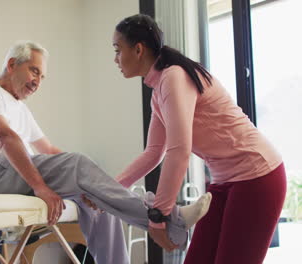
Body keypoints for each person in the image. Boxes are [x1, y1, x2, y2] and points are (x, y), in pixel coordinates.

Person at [0, 41, 211, 264]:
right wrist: (40, 186)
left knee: (96, 199)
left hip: (11, 173)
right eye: (34, 71)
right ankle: (166, 218)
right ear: (13, 64)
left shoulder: (21, 108)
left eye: (42, 77)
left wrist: (91, 180)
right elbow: (5, 137)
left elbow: (49, 150)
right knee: (77, 165)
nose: (37, 81)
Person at [111, 14, 286, 264]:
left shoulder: (174, 77)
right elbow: (153, 152)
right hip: (224, 182)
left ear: (138, 49)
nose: (115, 59)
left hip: (257, 176)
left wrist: (158, 216)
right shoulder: (158, 91)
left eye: (118, 50)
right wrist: (110, 189)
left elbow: (179, 150)